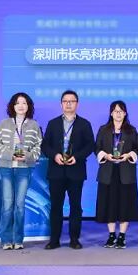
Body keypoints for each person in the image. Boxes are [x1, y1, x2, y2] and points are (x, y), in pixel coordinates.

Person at [41, 90, 94, 250]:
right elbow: (45, 145)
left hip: (76, 171)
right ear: (61, 104)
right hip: (56, 171)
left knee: (75, 206)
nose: (68, 104)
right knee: (56, 206)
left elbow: (90, 145)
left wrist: (77, 157)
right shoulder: (53, 123)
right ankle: (54, 240)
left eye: (72, 101)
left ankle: (74, 239)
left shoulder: (84, 124)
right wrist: (55, 155)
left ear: (77, 104)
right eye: (65, 101)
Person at [0, 92, 43, 250]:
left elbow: (38, 146)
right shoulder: (4, 123)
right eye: (18, 103)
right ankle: (6, 239)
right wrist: (9, 154)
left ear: (28, 106)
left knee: (20, 205)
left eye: (24, 103)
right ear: (12, 106)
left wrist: (28, 156)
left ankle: (18, 239)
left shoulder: (34, 125)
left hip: (24, 169)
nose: (21, 106)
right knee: (7, 204)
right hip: (6, 167)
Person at [94, 101, 138, 249]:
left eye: (121, 111)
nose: (118, 114)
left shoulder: (131, 130)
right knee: (109, 203)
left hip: (126, 172)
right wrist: (105, 155)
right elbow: (97, 148)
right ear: (111, 113)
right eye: (115, 111)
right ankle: (111, 235)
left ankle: (122, 236)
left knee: (125, 204)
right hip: (108, 172)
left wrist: (129, 155)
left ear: (125, 113)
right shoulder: (103, 130)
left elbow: (137, 148)